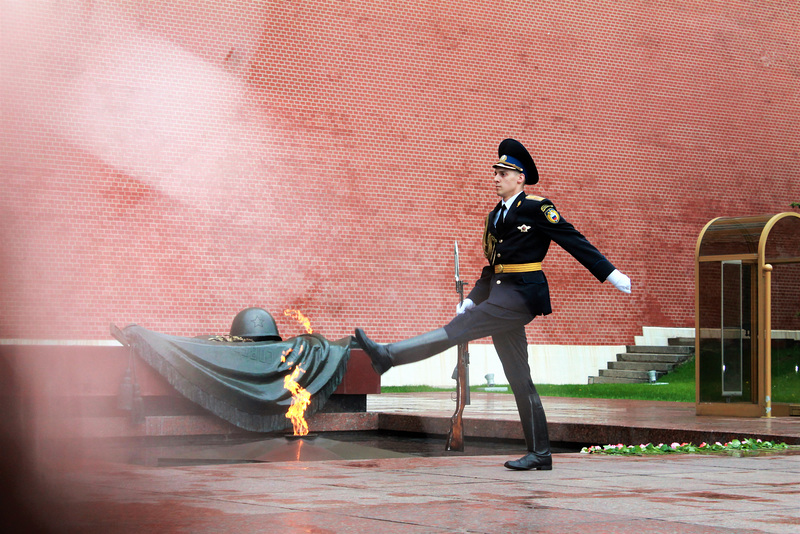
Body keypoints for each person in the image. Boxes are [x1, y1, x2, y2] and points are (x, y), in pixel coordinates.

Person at [355, 138, 631, 471]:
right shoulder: (493, 217)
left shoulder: (536, 207)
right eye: (495, 172)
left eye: (503, 172)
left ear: (520, 178)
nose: (496, 177)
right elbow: (493, 269)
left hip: (522, 296)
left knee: (457, 331)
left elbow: (573, 239)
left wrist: (611, 273)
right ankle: (540, 453)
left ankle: (388, 356)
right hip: (501, 296)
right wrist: (472, 299)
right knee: (519, 376)